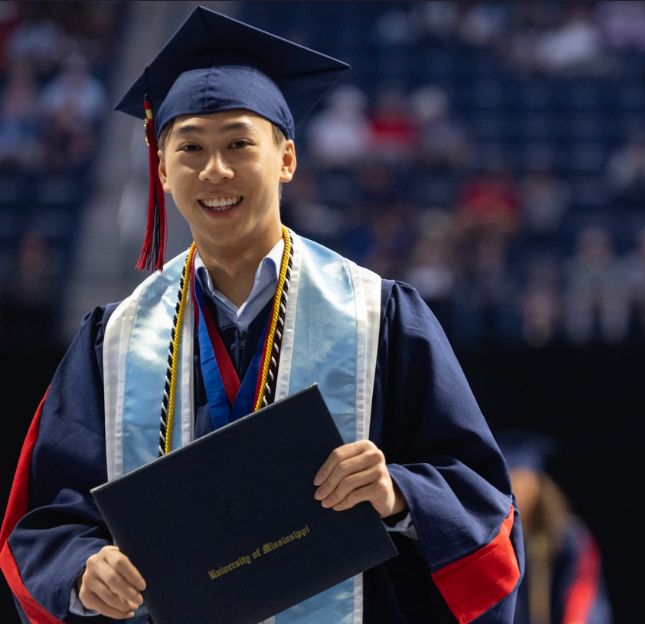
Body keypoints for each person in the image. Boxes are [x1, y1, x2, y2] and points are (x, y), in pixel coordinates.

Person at [0, 7, 523, 623]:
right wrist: (83, 569)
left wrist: (397, 493)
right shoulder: (113, 341)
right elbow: (45, 520)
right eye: (190, 146)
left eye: (239, 143)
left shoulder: (378, 315)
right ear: (163, 170)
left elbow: (483, 504)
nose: (215, 169)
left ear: (287, 159)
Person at [496, 430, 612, 624]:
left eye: (522, 478)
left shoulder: (568, 537)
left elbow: (582, 596)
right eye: (509, 478)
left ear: (538, 484)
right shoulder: (487, 537)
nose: (515, 487)